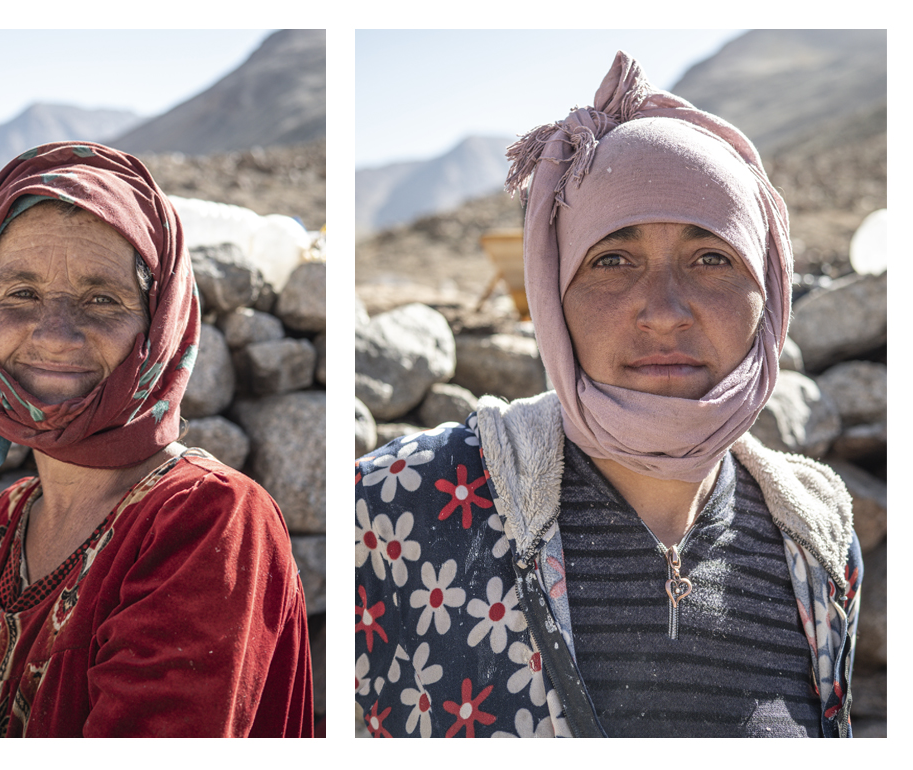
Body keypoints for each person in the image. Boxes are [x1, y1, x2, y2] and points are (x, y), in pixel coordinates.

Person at [354, 53, 862, 738]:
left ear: (767, 293)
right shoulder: (396, 507)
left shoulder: (816, 538)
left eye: (711, 257)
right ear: (552, 293)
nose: (662, 311)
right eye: (611, 260)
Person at [0, 141, 313, 738]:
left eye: (102, 299)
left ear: (160, 322)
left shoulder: (210, 522)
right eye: (20, 294)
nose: (55, 335)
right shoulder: (15, 514)